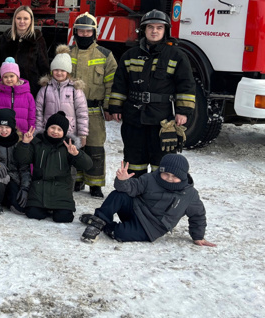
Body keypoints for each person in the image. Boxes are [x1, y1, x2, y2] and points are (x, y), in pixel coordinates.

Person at [109, 10, 196, 178]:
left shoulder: (177, 56)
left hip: (162, 120)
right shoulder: (130, 55)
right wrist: (115, 107)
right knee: (133, 162)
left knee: (161, 164)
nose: (154, 31)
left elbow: (186, 85)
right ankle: (134, 197)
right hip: (134, 118)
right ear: (143, 30)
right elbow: (120, 84)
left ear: (165, 31)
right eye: (150, 27)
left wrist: (183, 112)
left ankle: (158, 199)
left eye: (159, 28)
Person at [80, 154, 215, 246]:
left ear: (183, 176)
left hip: (150, 227)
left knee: (120, 234)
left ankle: (107, 226)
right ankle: (98, 222)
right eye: (166, 174)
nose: (169, 178)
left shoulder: (189, 195)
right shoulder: (150, 178)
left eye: (174, 176)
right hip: (135, 209)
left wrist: (198, 236)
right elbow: (132, 188)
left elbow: (198, 215)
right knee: (119, 194)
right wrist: (122, 181)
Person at [68, 12, 118, 198]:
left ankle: (95, 184)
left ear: (94, 33)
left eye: (88, 32)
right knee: (75, 145)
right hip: (70, 109)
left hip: (94, 110)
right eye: (80, 32)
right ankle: (78, 179)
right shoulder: (67, 53)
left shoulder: (105, 55)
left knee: (95, 147)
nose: (84, 35)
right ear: (75, 33)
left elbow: (111, 83)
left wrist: (108, 107)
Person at [16, 111, 92, 223]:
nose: (55, 132)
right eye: (53, 128)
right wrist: (25, 144)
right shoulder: (37, 142)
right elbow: (22, 160)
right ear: (47, 128)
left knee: (64, 218)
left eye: (59, 129)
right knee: (33, 214)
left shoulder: (68, 146)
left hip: (61, 190)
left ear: (64, 132)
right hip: (39, 188)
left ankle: (55, 208)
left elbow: (88, 165)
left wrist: (77, 154)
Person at [35, 45, 88, 147]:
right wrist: (39, 131)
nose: (59, 73)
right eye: (56, 70)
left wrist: (83, 135)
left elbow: (82, 114)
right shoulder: (45, 89)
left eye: (63, 70)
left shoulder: (75, 90)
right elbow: (38, 112)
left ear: (68, 72)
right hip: (49, 133)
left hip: (69, 134)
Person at [0, 6, 49, 96]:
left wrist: (44, 88)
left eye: (25, 18)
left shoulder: (37, 40)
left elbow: (44, 67)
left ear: (31, 20)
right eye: (19, 18)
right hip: (6, 91)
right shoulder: (3, 39)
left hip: (30, 91)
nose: (22, 21)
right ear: (14, 20)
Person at [0, 57, 36, 133]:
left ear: (17, 77)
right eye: (5, 77)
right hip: (3, 132)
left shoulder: (28, 95)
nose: (9, 79)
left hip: (23, 132)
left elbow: (32, 116)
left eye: (12, 76)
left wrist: (31, 131)